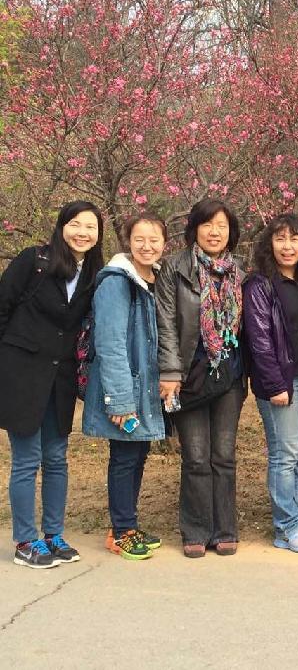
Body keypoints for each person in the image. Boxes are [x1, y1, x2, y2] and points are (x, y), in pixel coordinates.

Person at [0, 200, 103, 568]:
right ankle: (25, 541)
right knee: (27, 460)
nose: (82, 233)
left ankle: (53, 535)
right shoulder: (34, 261)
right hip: (22, 374)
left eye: (90, 227)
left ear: (98, 235)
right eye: (75, 224)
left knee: (57, 459)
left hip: (60, 379)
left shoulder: (94, 274)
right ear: (62, 227)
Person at [157, 199, 246, 558]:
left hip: (229, 374)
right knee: (195, 457)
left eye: (222, 225)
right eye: (207, 224)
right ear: (194, 228)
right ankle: (195, 529)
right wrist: (169, 372)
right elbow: (166, 324)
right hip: (189, 375)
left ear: (230, 232)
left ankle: (224, 529)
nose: (214, 232)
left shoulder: (239, 270)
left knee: (223, 456)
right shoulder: (174, 268)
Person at [243, 213, 298, 554]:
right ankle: (286, 527)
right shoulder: (260, 285)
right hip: (282, 383)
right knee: (285, 456)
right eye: (280, 239)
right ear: (270, 244)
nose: (288, 246)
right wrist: (275, 385)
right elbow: (260, 341)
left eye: (295, 239)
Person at [82, 214, 168, 560]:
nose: (147, 246)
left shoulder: (155, 277)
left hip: (144, 386)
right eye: (139, 239)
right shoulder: (117, 282)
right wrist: (119, 401)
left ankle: (126, 525)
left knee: (137, 455)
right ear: (127, 242)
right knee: (124, 457)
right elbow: (111, 343)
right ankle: (121, 531)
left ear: (164, 243)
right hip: (126, 388)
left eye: (154, 239)